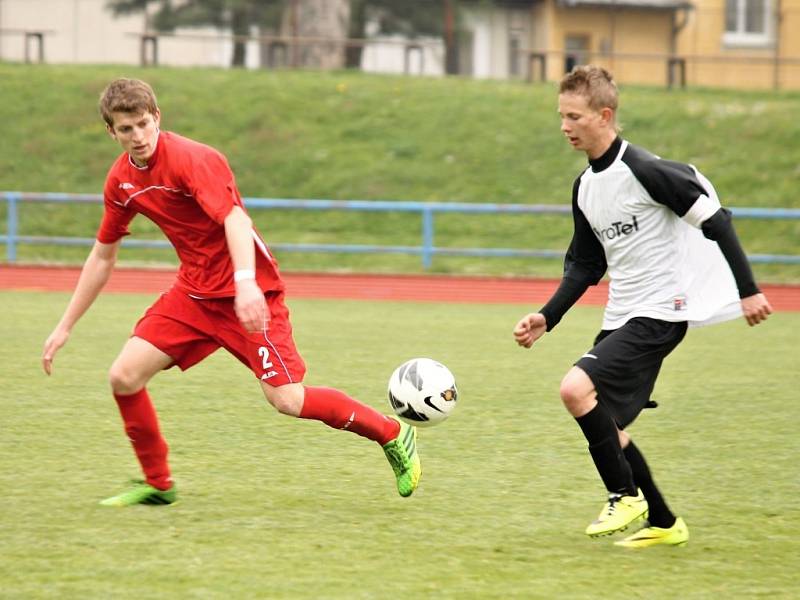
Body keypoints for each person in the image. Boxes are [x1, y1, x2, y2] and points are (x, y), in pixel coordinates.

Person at [41, 78, 421, 506]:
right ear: (112, 132)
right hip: (194, 294)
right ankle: (158, 483)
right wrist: (64, 326)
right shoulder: (121, 182)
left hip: (249, 292)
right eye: (126, 129)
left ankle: (392, 432)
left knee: (288, 399)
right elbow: (102, 256)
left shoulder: (194, 159)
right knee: (124, 377)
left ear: (157, 118)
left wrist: (245, 285)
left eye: (144, 124)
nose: (138, 136)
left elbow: (235, 220)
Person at [513, 66, 772, 548]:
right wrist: (547, 316)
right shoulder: (585, 187)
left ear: (604, 116)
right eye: (561, 116)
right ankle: (665, 522)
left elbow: (717, 222)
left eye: (574, 116)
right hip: (623, 315)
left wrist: (748, 290)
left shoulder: (647, 171)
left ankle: (623, 495)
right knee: (608, 426)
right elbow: (585, 266)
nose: (565, 126)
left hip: (662, 312)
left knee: (574, 389)